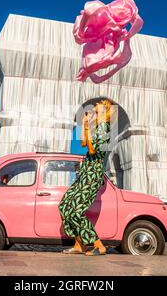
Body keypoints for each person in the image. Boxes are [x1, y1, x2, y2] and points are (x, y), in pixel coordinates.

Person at [58, 99, 114, 256]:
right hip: (84, 174)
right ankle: (79, 245)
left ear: (105, 110)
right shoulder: (98, 127)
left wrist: (88, 126)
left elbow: (93, 149)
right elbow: (84, 143)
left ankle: (98, 245)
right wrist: (84, 124)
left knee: (75, 211)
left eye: (99, 106)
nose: (95, 107)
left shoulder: (105, 128)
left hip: (92, 176)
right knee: (64, 206)